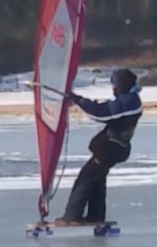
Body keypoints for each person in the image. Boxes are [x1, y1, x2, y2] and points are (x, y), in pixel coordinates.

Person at [52, 68, 142, 227]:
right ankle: (96, 216)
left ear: (121, 85)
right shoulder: (130, 99)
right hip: (115, 148)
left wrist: (80, 101)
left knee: (85, 178)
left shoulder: (129, 101)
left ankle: (72, 216)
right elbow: (108, 107)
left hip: (110, 149)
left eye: (114, 85)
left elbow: (103, 113)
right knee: (97, 179)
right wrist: (81, 100)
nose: (113, 88)